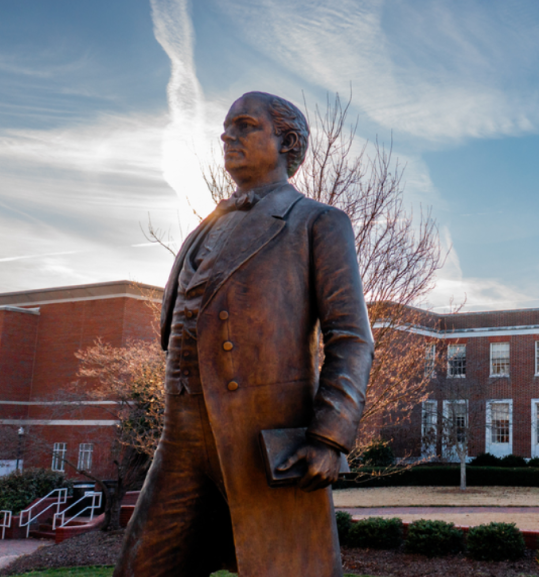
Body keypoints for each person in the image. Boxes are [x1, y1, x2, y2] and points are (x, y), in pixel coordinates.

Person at [114, 92, 374, 577]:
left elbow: (351, 336)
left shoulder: (317, 222)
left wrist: (330, 437)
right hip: (180, 440)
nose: (227, 135)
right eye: (226, 126)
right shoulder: (204, 228)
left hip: (265, 444)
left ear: (287, 142)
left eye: (245, 125)